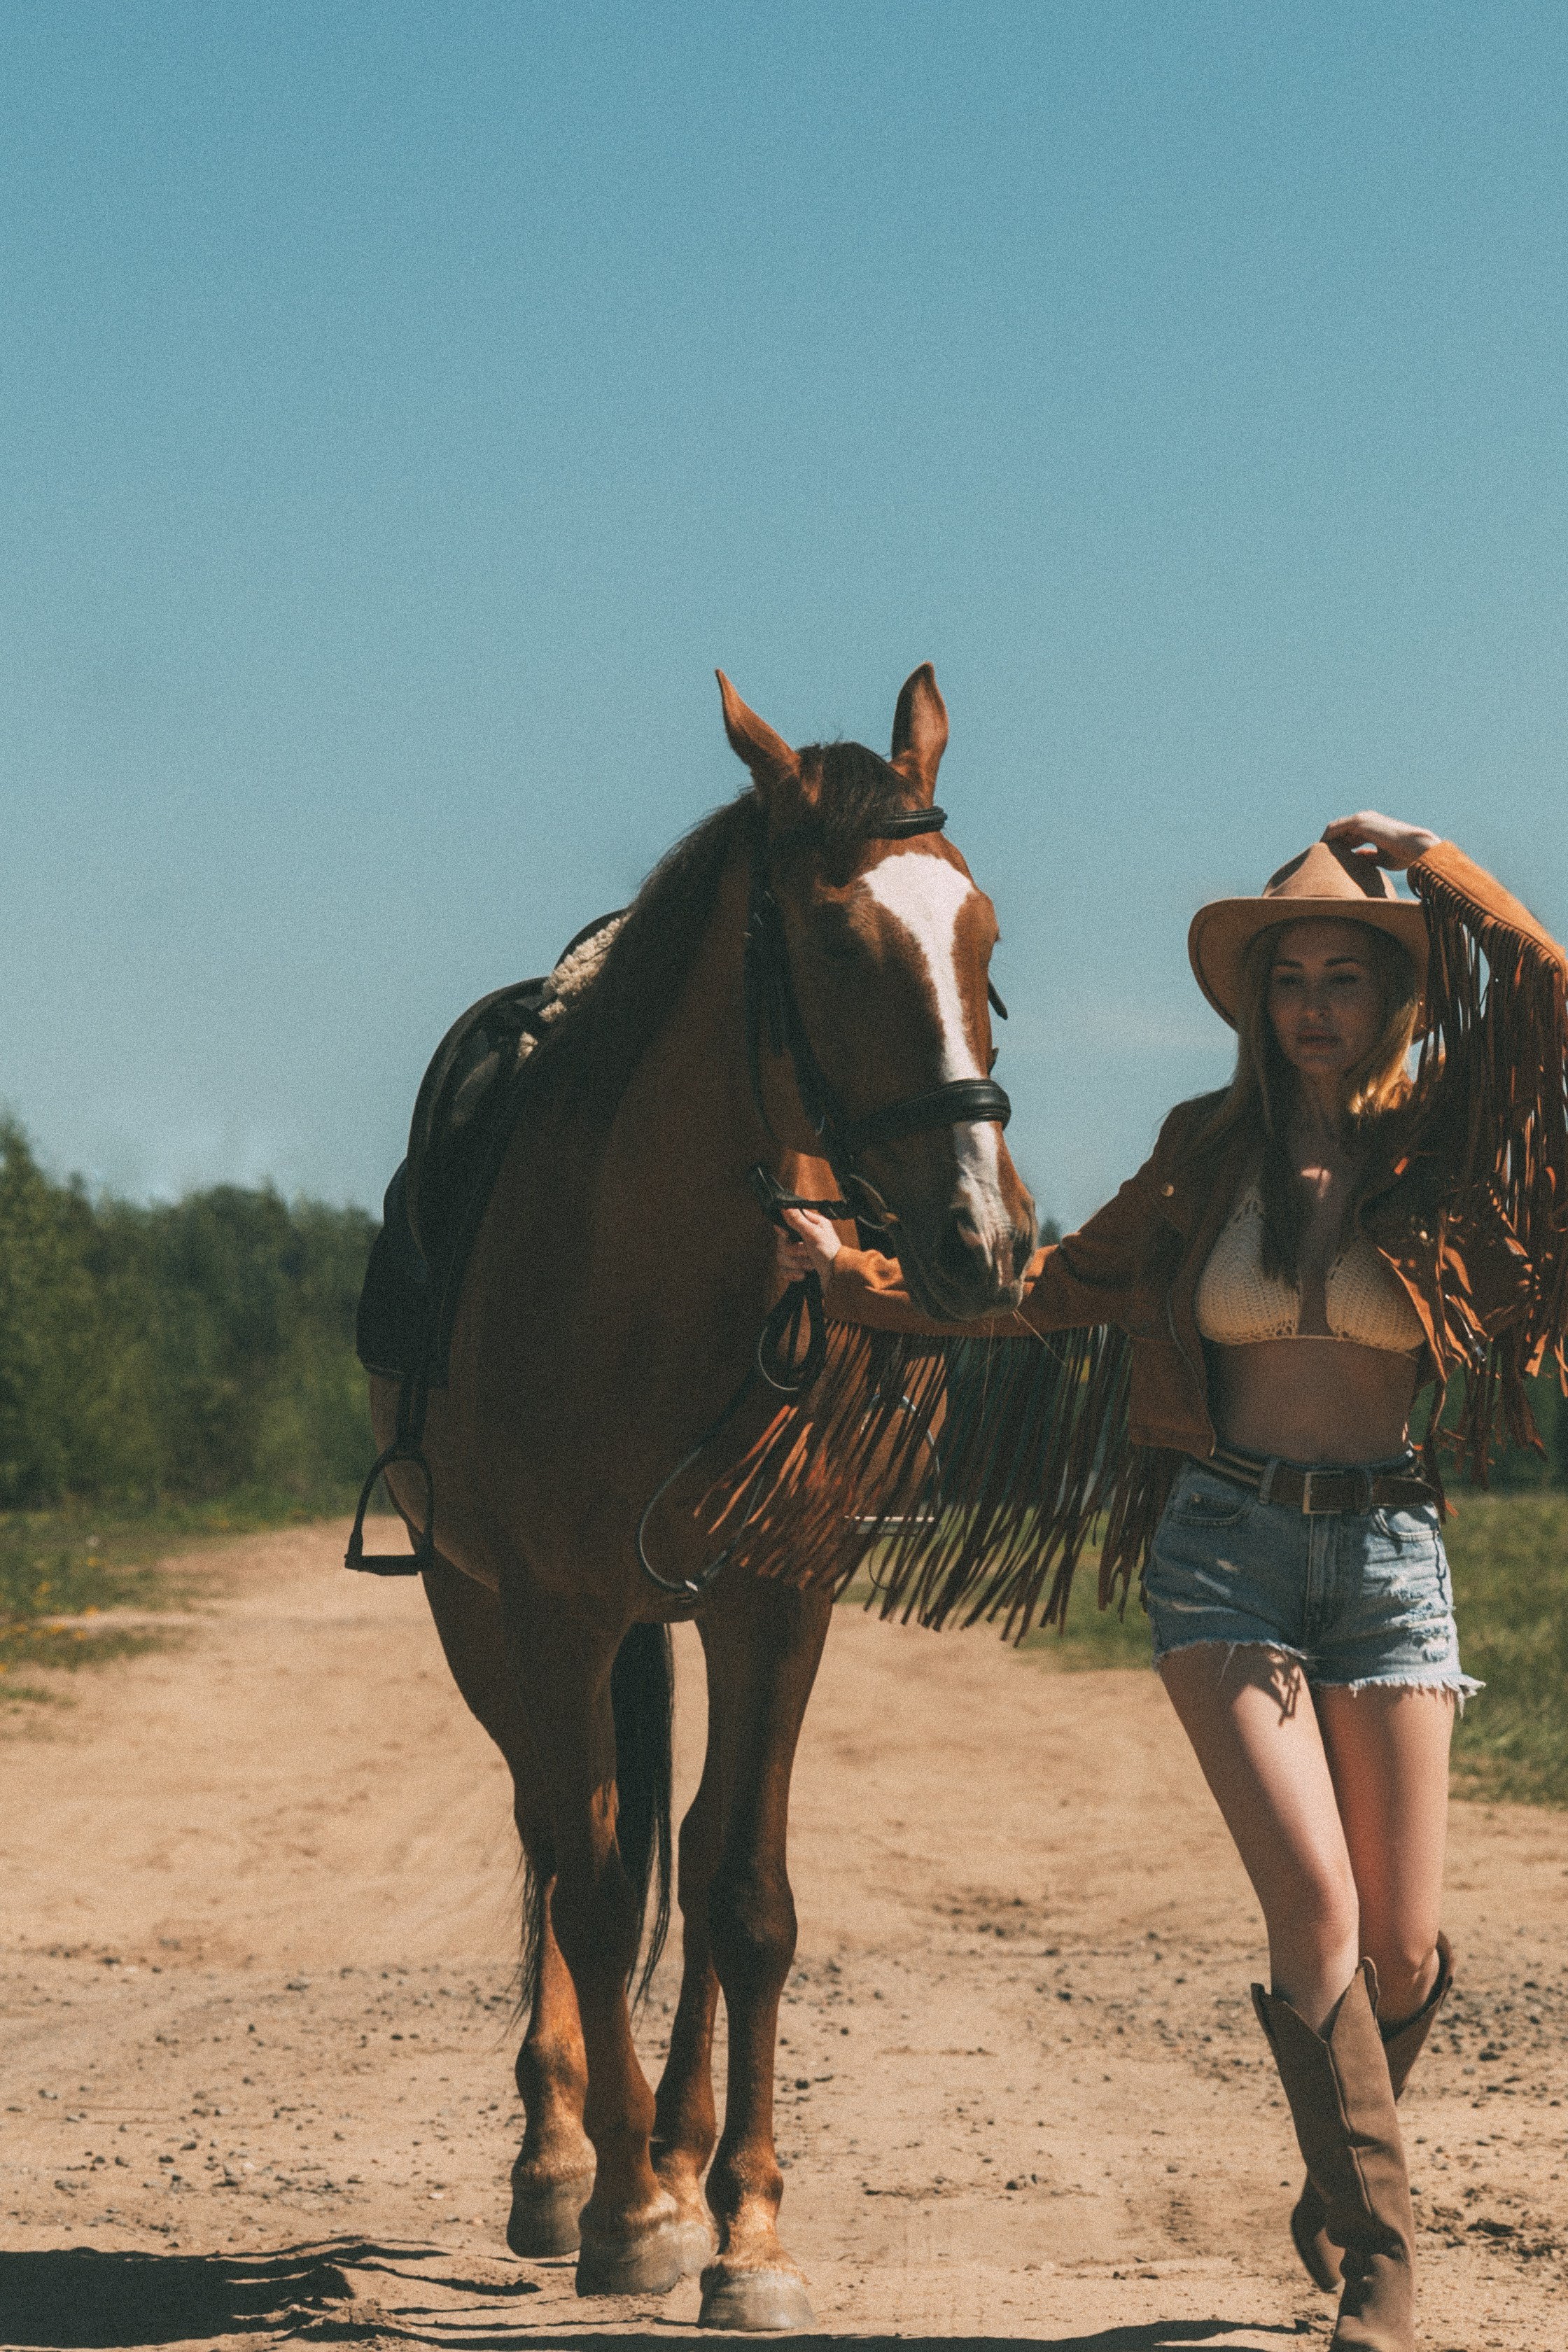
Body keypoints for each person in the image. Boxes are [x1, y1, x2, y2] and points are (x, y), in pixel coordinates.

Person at [778, 814, 1568, 2352]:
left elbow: (1551, 1005)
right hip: (1226, 1553)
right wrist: (859, 1282)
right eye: (1292, 978)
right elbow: (1054, 1293)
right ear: (1254, 1002)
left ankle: (1344, 2162)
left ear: (1391, 998)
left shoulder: (1443, 1140)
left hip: (1393, 1559)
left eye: (1349, 974)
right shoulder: (1201, 1153)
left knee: (1403, 1952)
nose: (1318, 1004)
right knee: (1319, 1911)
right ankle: (1381, 2268)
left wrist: (1438, 861)